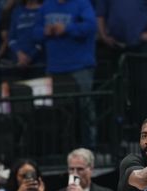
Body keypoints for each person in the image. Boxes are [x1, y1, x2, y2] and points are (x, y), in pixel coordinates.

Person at [34, 0, 98, 148]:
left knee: (85, 108)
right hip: (54, 67)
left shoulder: (82, 4)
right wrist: (45, 31)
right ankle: (60, 148)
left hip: (80, 66)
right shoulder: (46, 6)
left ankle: (90, 148)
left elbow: (91, 26)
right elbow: (35, 32)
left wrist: (67, 28)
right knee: (55, 114)